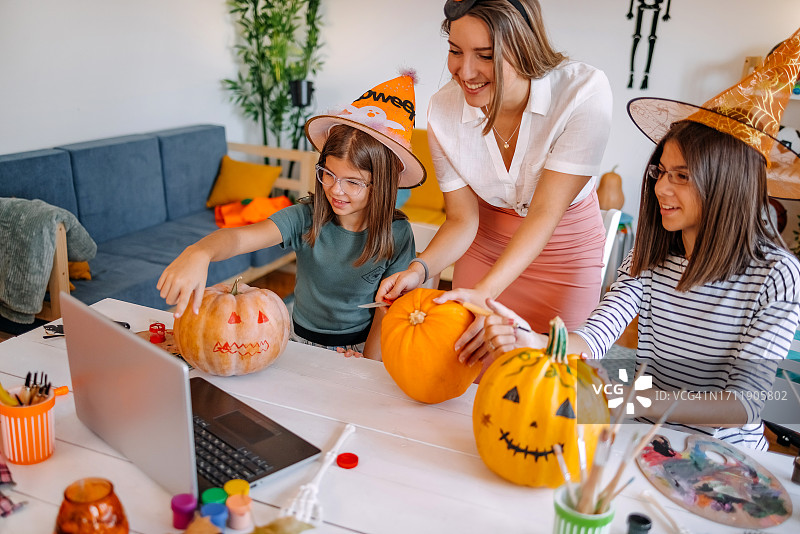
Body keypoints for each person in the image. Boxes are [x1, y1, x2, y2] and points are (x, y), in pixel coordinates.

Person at [484, 27, 800, 450]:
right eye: (661, 173)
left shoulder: (777, 275)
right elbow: (595, 336)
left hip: (726, 458)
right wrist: (538, 343)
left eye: (682, 177)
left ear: (729, 184)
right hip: (649, 439)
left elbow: (744, 403)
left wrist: (634, 399)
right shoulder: (651, 255)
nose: (661, 189)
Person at [376, 0, 612, 369]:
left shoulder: (583, 92)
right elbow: (462, 220)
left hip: (563, 251)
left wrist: (484, 293)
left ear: (523, 46)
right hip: (484, 247)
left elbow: (546, 213)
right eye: (455, 51)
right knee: (467, 372)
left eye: (484, 55)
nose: (464, 71)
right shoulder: (443, 110)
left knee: (552, 377)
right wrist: (418, 270)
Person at [158, 74, 426, 359]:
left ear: (382, 184)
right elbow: (238, 238)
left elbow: (389, 310)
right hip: (296, 341)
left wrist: (368, 364)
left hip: (361, 350)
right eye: (329, 175)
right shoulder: (307, 217)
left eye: (353, 182)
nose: (336, 189)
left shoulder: (398, 235)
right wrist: (200, 252)